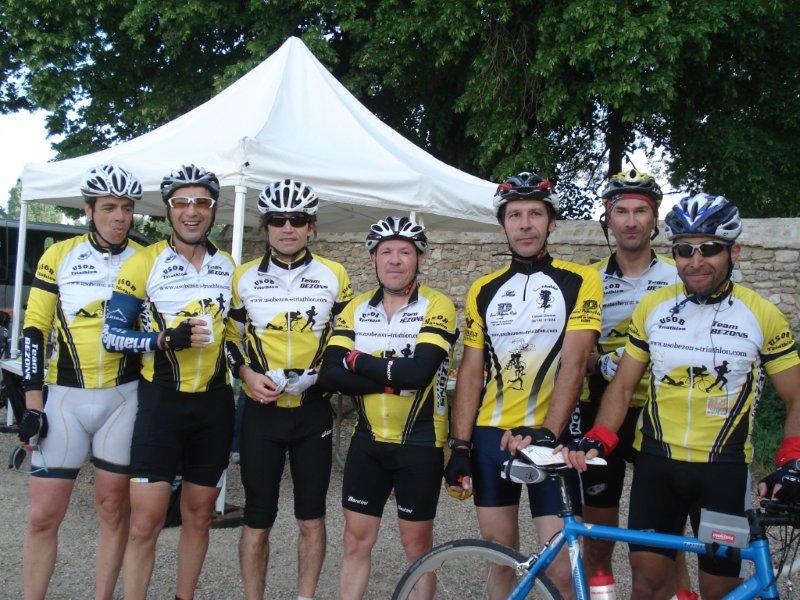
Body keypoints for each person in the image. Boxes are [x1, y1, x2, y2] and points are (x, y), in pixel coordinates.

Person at [560, 193, 800, 599]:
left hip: (723, 471)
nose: (695, 260)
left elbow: (795, 396)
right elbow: (623, 385)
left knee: (720, 590)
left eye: (710, 249)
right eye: (685, 250)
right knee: (648, 583)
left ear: (734, 251)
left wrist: (792, 459)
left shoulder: (761, 314)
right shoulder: (653, 307)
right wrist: (600, 435)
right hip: (657, 467)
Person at [445, 172, 602, 596]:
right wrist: (459, 445)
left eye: (536, 213)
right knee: (500, 561)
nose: (525, 224)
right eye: (515, 215)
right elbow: (471, 372)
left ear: (552, 223)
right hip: (491, 436)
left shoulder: (579, 280)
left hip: (551, 436)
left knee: (562, 569)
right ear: (503, 225)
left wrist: (549, 431)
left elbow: (575, 362)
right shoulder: (483, 289)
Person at [102, 164, 236, 600]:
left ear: (213, 210)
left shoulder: (227, 266)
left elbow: (236, 334)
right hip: (161, 403)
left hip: (214, 404)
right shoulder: (144, 261)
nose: (191, 211)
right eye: (182, 203)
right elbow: (111, 334)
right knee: (145, 523)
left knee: (199, 516)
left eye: (201, 203)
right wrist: (163, 339)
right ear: (168, 210)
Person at [17, 164, 144, 600]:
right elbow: (34, 330)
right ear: (88, 210)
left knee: (113, 511)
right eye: (108, 207)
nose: (119, 217)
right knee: (42, 516)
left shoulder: (145, 258)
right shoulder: (59, 255)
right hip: (65, 398)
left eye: (126, 208)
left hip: (123, 398)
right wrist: (32, 405)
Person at [224, 179, 353, 600]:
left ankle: (305, 597)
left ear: (311, 227)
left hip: (313, 411)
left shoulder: (334, 274)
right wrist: (245, 374)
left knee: (311, 518)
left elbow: (347, 335)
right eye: (278, 220)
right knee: (257, 519)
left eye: (297, 220)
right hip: (261, 411)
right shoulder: (243, 276)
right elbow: (229, 337)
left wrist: (324, 372)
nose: (287, 228)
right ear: (264, 227)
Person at [318, 216, 457, 600]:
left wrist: (357, 360)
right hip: (367, 441)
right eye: (386, 252)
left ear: (420, 259)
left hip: (420, 443)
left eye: (405, 252)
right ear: (374, 259)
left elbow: (420, 373)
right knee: (354, 540)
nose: (395, 260)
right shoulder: (355, 308)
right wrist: (392, 380)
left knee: (417, 549)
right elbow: (329, 375)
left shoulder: (437, 305)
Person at [578, 169, 678, 578]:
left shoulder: (678, 275)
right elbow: (574, 355)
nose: (632, 221)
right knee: (598, 539)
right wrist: (598, 363)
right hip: (605, 410)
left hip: (662, 414)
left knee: (664, 542)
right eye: (622, 211)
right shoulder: (589, 279)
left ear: (655, 219)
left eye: (641, 211)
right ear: (608, 217)